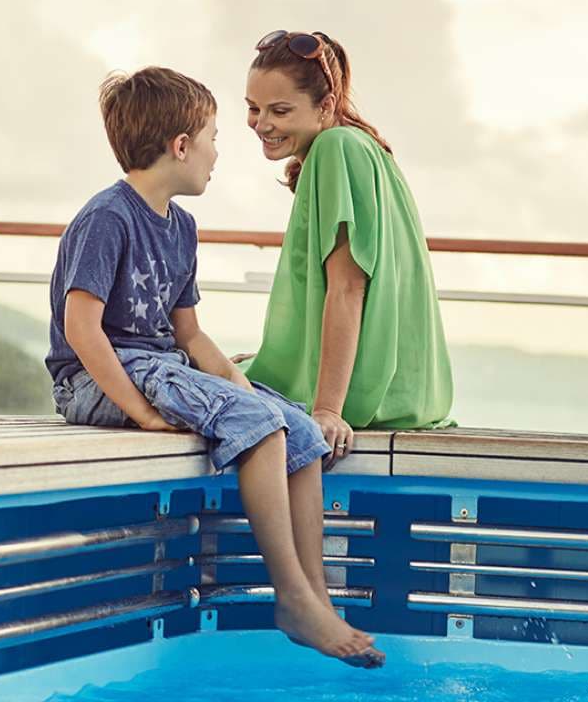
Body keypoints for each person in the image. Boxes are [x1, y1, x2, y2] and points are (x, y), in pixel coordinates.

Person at [45, 66, 384, 668]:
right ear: (180, 146)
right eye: (213, 137)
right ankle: (291, 597)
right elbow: (82, 329)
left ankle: (317, 596)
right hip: (98, 377)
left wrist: (241, 384)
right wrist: (140, 413)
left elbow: (190, 334)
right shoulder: (107, 217)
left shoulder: (181, 228)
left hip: (162, 363)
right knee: (258, 428)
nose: (217, 153)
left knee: (297, 430)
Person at [241, 30, 455, 463]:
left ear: (326, 105)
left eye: (279, 110)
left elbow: (348, 288)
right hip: (408, 392)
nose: (262, 124)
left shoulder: (336, 149)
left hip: (362, 396)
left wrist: (326, 410)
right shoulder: (364, 147)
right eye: (253, 108)